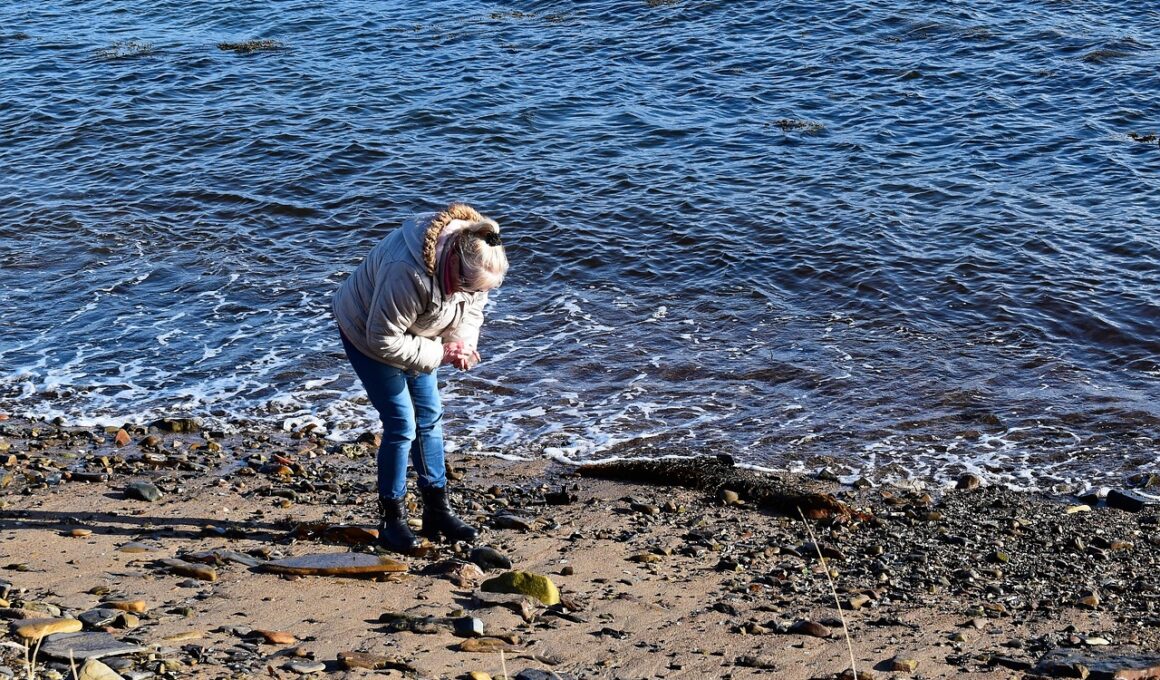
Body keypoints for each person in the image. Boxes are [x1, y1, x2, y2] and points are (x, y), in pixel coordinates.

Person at [332, 203, 509, 554]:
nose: (471, 294)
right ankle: (392, 520)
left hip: (417, 332)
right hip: (367, 333)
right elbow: (381, 338)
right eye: (467, 286)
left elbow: (471, 311)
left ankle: (437, 510)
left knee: (429, 417)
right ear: (453, 260)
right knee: (402, 424)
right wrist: (440, 354)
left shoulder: (480, 260)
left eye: (479, 290)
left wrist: (462, 344)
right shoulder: (406, 270)